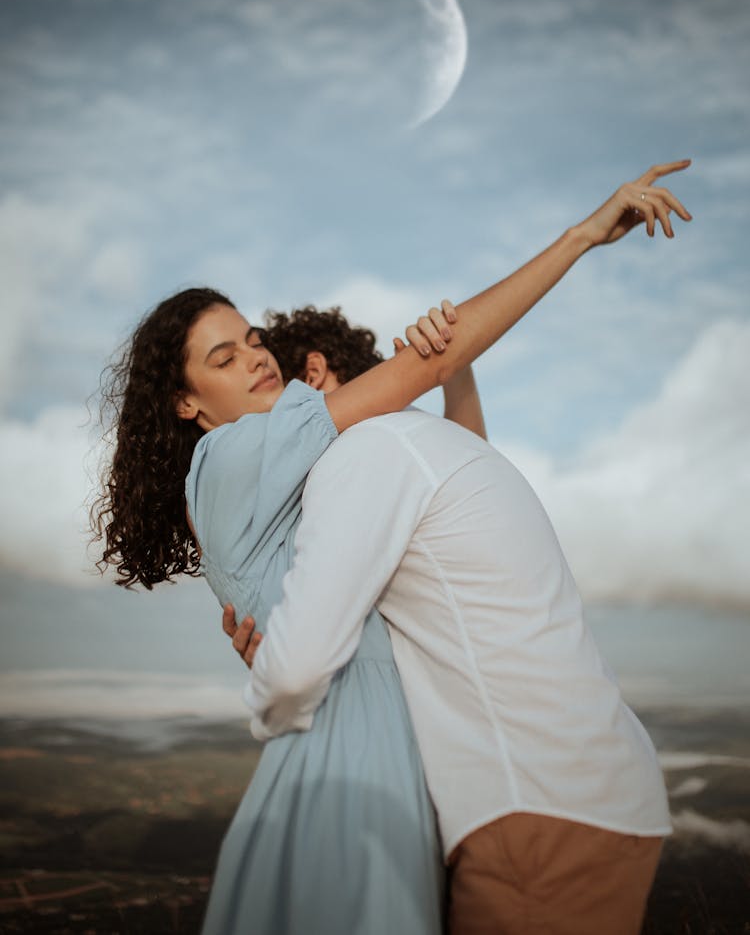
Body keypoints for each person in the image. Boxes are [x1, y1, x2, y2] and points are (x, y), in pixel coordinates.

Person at [92, 161, 691, 934]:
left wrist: (283, 643)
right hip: (366, 760)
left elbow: (446, 483)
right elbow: (421, 376)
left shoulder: (331, 475)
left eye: (252, 340)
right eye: (225, 358)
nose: (255, 358)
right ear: (184, 403)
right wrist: (578, 237)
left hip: (426, 777)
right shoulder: (237, 454)